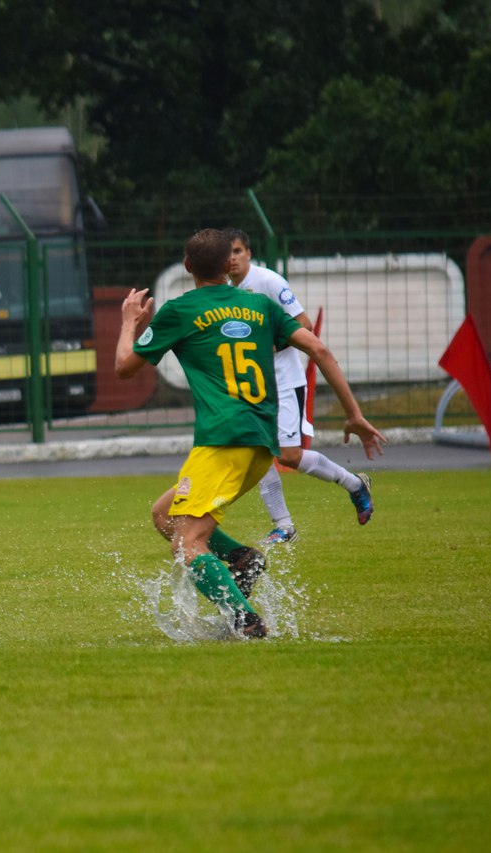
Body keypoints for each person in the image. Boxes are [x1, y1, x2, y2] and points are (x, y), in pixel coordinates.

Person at [115, 228, 385, 638]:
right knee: (163, 513)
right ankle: (242, 559)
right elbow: (320, 349)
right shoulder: (260, 306)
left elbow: (123, 367)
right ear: (229, 266)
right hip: (262, 446)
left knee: (188, 544)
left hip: (222, 442)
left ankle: (247, 621)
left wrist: (129, 321)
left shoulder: (180, 310)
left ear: (187, 267)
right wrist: (354, 415)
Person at [226, 228, 374, 545]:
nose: (232, 259)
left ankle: (354, 484)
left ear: (249, 253)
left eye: (237, 251)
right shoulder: (227, 292)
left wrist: (269, 349)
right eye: (227, 254)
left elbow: (303, 324)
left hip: (284, 380)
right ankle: (284, 525)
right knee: (257, 451)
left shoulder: (268, 282)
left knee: (290, 456)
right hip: (254, 387)